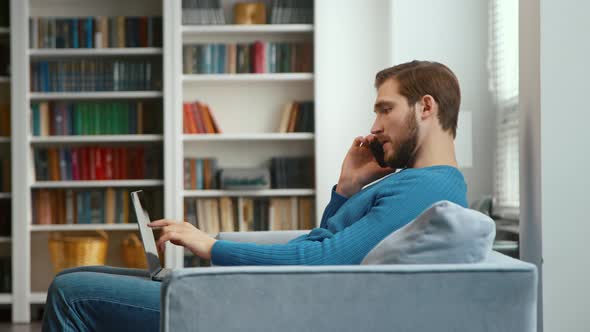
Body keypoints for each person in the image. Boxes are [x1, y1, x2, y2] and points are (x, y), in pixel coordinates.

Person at [42, 60, 468, 331]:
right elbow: (325, 243)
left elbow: (321, 263)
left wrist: (211, 247)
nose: (374, 124)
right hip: (270, 292)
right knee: (66, 280)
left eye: (385, 109)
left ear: (425, 107)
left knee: (72, 292)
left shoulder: (430, 186)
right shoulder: (413, 182)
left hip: (268, 306)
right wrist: (346, 189)